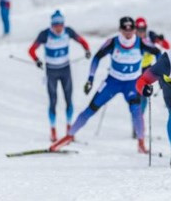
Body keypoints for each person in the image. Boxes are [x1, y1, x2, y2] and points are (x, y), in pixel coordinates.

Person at [49, 16, 162, 154]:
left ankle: (141, 144)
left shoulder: (141, 43)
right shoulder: (113, 42)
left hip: (132, 83)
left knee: (137, 112)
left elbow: (158, 53)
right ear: (120, 29)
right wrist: (90, 79)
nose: (128, 32)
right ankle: (69, 135)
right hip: (112, 82)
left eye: (131, 29)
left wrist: (155, 75)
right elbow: (97, 58)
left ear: (134, 30)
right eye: (125, 29)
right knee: (91, 108)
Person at [28, 10, 92, 141]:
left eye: (60, 24)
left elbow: (83, 41)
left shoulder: (68, 31)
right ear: (52, 25)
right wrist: (37, 60)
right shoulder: (45, 34)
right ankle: (53, 131)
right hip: (51, 71)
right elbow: (31, 50)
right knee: (53, 101)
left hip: (65, 70)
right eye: (56, 25)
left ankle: (69, 130)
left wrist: (87, 51)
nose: (58, 28)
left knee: (69, 100)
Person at [130, 17, 171, 137]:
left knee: (143, 98)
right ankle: (136, 124)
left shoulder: (150, 36)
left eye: (143, 29)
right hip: (134, 71)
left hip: (146, 70)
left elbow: (166, 46)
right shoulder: (132, 39)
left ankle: (138, 126)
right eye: (138, 29)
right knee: (135, 99)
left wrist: (161, 40)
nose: (141, 31)